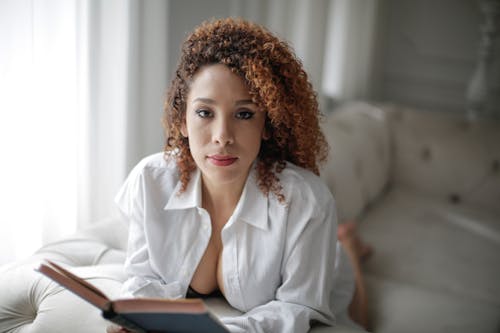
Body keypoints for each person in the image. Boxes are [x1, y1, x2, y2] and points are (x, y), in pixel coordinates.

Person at [107, 18, 369, 333]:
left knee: (360, 320)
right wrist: (135, 317)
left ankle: (350, 250)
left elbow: (300, 306)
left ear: (268, 124)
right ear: (181, 121)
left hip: (329, 270)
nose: (222, 136)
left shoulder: (306, 201)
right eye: (205, 113)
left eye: (244, 114)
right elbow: (142, 276)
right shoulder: (150, 181)